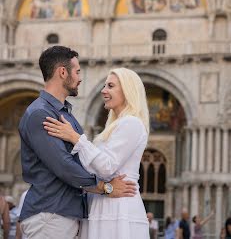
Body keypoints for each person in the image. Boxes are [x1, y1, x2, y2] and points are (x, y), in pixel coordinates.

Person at [19, 46, 136, 239]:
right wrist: (106, 188)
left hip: (64, 216)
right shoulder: (41, 113)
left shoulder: (64, 114)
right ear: (62, 72)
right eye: (78, 71)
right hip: (50, 215)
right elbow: (64, 166)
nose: (80, 77)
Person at [43, 67, 150, 239]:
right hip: (104, 202)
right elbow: (93, 168)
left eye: (110, 86)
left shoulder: (132, 123)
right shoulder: (116, 126)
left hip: (117, 208)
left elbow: (106, 167)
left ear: (127, 90)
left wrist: (75, 138)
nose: (103, 90)